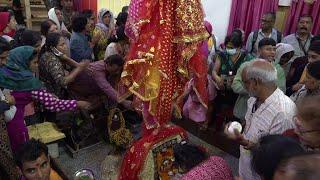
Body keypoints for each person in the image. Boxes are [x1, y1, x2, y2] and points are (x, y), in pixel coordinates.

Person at [0, 46, 91, 153]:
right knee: (23, 154)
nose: (37, 66)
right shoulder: (27, 82)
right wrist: (78, 104)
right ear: (23, 62)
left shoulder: (10, 75)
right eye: (34, 63)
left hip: (6, 121)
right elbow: (53, 104)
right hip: (16, 124)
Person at [225, 60, 296, 180]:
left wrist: (245, 143)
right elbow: (250, 123)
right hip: (245, 165)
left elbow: (276, 156)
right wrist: (238, 128)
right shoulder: (253, 99)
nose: (243, 86)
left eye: (245, 83)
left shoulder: (283, 113)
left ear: (255, 83)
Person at [39, 32, 89, 99]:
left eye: (65, 43)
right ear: (53, 48)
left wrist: (78, 65)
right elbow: (62, 81)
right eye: (62, 45)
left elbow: (64, 57)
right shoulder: (51, 60)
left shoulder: (50, 52)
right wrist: (79, 69)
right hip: (53, 96)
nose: (65, 46)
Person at [212, 33, 254, 110]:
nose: (228, 49)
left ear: (240, 47)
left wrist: (236, 77)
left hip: (238, 91)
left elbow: (249, 75)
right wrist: (217, 78)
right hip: (222, 88)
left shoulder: (246, 57)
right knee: (217, 110)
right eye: (227, 47)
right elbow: (214, 71)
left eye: (232, 47)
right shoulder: (222, 55)